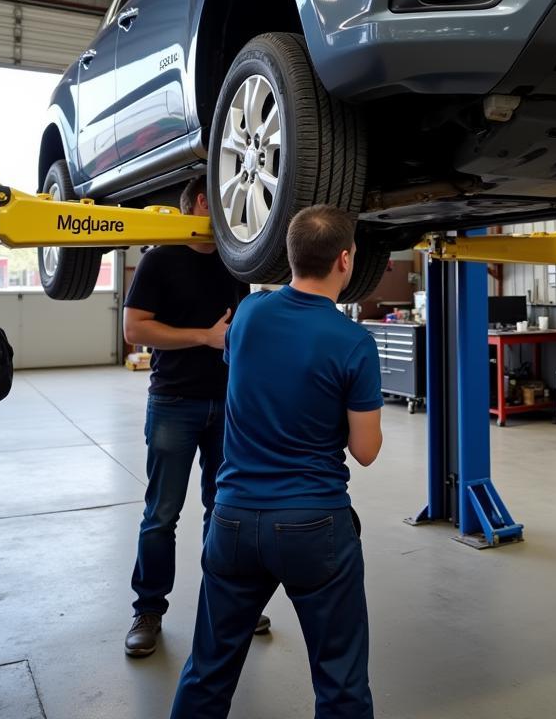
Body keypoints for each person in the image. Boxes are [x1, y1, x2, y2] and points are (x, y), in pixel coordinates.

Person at [169, 204, 383, 719]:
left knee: (207, 671)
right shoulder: (354, 342)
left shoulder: (248, 315)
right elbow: (366, 451)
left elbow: (251, 376)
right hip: (315, 526)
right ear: (345, 261)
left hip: (234, 520)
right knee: (341, 683)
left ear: (288, 257)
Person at [122, 175, 269, 657]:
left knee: (224, 511)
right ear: (203, 201)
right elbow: (134, 329)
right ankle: (148, 609)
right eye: (225, 198)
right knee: (162, 514)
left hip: (228, 404)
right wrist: (203, 337)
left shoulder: (235, 263)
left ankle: (227, 607)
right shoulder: (159, 258)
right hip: (174, 402)